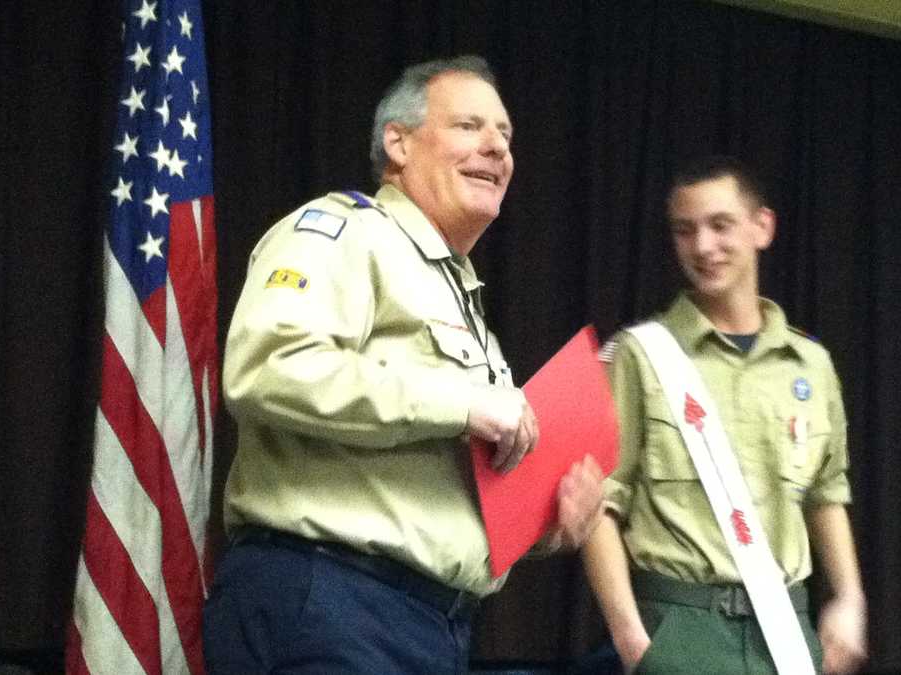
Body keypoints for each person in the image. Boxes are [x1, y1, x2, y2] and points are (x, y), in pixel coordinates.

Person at [203, 55, 604, 674]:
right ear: (398, 142)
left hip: (430, 625)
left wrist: (543, 527)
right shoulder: (345, 232)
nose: (496, 148)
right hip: (328, 599)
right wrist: (462, 403)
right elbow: (267, 368)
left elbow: (421, 497)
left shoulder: (459, 297)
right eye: (470, 126)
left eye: (506, 136)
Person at [582, 155, 867, 674]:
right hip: (678, 624)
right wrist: (631, 638)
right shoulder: (641, 355)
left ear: (763, 227)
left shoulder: (810, 364)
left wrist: (849, 598)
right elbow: (599, 503)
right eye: (685, 231)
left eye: (720, 225)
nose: (703, 247)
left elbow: (827, 491)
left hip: (784, 630)